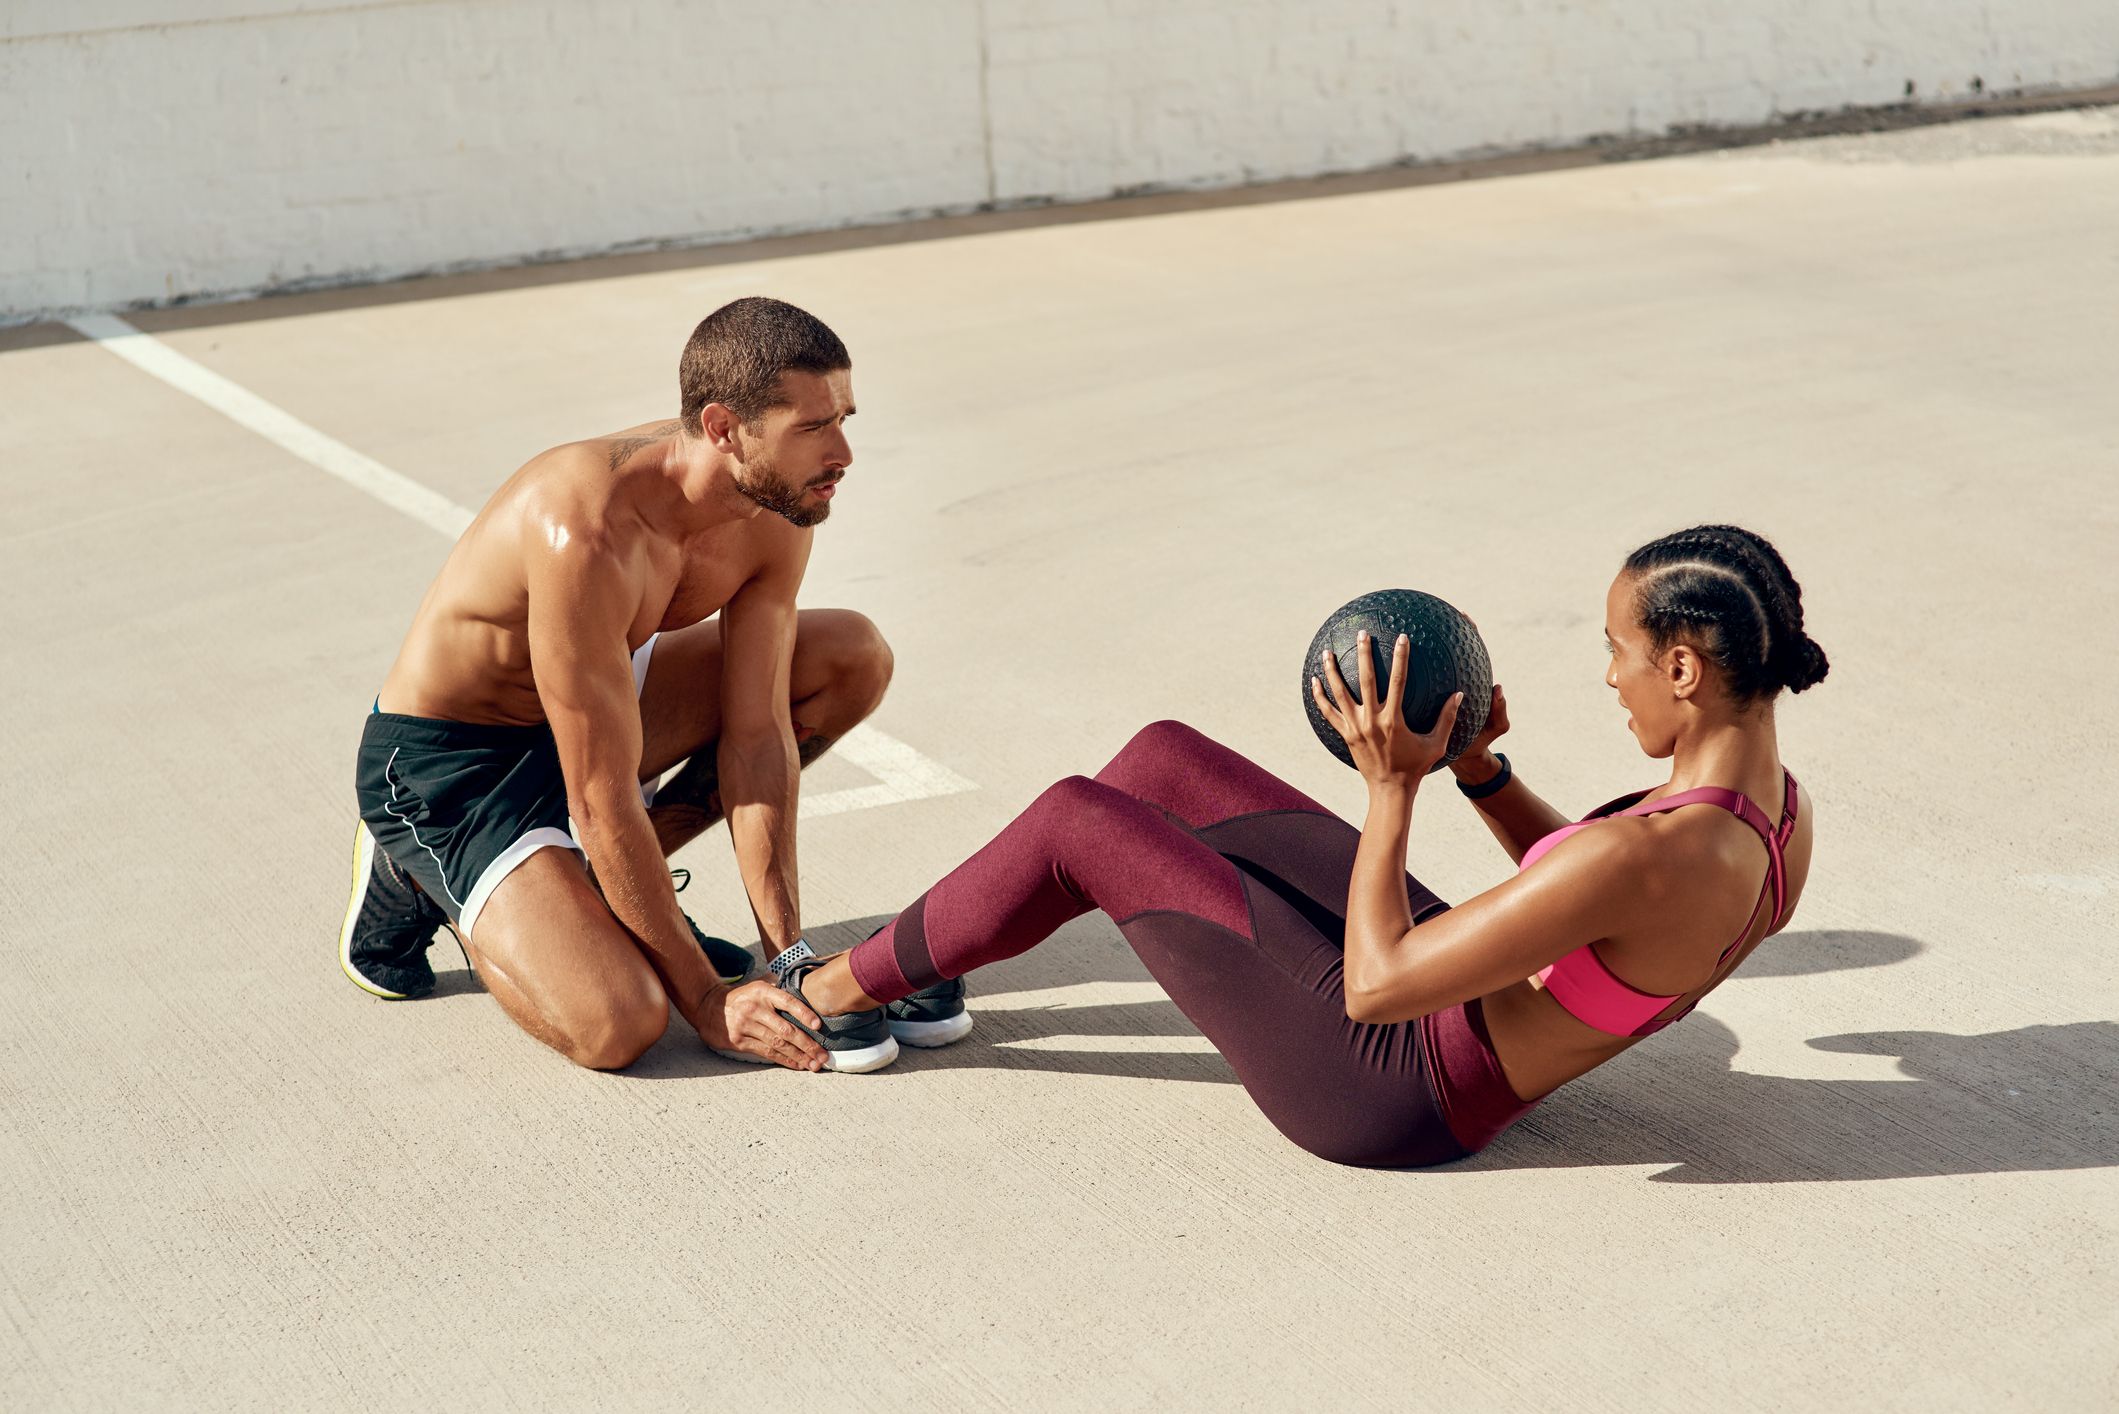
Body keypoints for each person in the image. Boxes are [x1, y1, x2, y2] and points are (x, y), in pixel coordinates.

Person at [775, 525, 1826, 1166]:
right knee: (1162, 758)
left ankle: (823, 996)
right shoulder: (1772, 817)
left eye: (1619, 651)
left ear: (1683, 669)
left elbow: (1376, 986)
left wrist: (1394, 788)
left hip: (1390, 1084)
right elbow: (1598, 887)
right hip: (1444, 1007)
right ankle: (922, 968)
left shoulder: (1650, 856)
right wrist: (1479, 771)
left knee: (1075, 820)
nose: (1609, 675)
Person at [339, 297, 961, 1074]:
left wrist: (787, 957)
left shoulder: (775, 503)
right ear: (722, 428)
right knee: (620, 1023)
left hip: (593, 715)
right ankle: (429, 876)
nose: (842, 450)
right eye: (811, 427)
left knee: (848, 655)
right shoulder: (585, 526)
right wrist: (705, 1001)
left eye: (843, 416)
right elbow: (600, 798)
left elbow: (757, 733)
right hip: (452, 767)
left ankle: (597, 890)